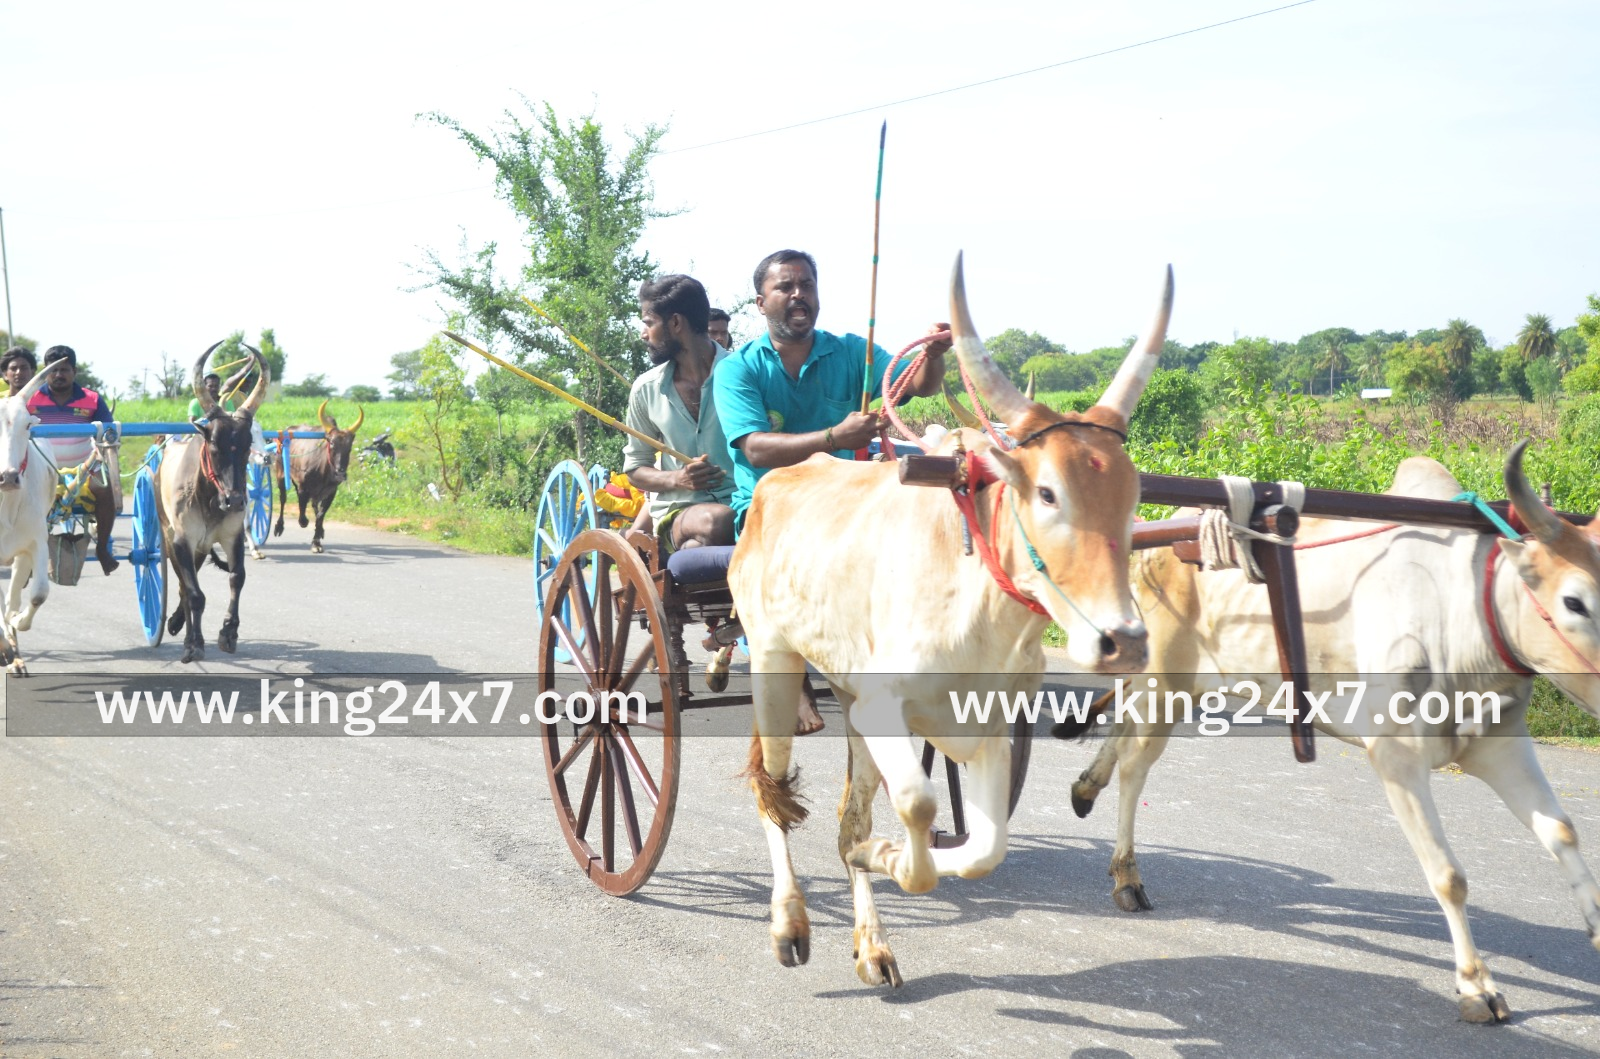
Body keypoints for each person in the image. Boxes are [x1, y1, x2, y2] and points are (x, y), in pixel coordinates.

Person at [713, 249, 951, 533]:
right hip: (768, 508)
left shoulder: (852, 351)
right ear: (761, 304)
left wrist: (932, 355)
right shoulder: (737, 368)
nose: (799, 294)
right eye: (785, 287)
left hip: (841, 502)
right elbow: (755, 450)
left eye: (807, 285)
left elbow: (920, 385)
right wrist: (834, 437)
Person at [622, 274, 736, 552]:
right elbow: (635, 469)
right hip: (678, 512)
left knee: (698, 547)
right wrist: (678, 479)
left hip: (746, 503)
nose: (644, 334)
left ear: (675, 323)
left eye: (649, 323)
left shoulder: (743, 375)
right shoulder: (646, 389)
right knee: (717, 521)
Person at [28, 346, 118, 574]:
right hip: (40, 469)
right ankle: (27, 554)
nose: (59, 375)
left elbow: (109, 432)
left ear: (74, 371)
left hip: (84, 468)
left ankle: (102, 548)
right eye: (54, 370)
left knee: (105, 489)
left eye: (64, 370)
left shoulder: (92, 399)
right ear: (45, 372)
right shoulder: (30, 399)